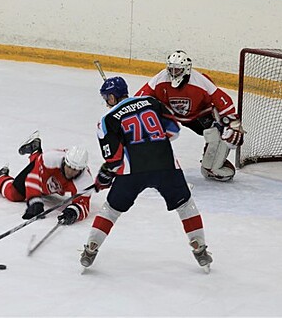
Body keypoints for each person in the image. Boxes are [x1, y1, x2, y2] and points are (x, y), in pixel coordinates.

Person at [80, 76, 213, 272]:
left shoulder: (107, 120)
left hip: (132, 172)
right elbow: (174, 130)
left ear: (113, 97)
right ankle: (199, 247)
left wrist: (104, 176)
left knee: (111, 210)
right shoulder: (152, 102)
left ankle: (92, 247)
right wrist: (153, 142)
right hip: (166, 166)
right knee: (185, 205)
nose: (107, 102)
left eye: (107, 98)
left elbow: (114, 159)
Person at [135, 50, 244, 182]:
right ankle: (152, 164)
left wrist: (233, 124)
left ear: (186, 69)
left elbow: (223, 100)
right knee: (146, 121)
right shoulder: (160, 79)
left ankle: (212, 163)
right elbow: (138, 100)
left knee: (220, 132)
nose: (174, 73)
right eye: (171, 69)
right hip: (170, 114)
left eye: (178, 70)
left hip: (200, 116)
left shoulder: (200, 81)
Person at [0, 131, 93, 224]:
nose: (70, 171)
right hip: (41, 169)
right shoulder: (50, 159)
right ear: (65, 161)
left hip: (47, 177)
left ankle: (35, 148)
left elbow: (83, 205)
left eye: (75, 170)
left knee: (45, 188)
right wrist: (34, 201)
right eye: (69, 166)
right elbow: (33, 177)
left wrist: (74, 212)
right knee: (14, 194)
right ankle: (0, 177)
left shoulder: (85, 181)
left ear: (82, 169)